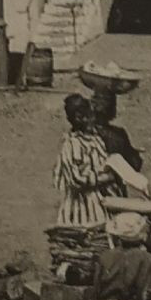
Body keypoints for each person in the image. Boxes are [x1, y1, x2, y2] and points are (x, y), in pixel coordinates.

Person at [53, 94, 115, 229]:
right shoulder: (71, 145)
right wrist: (103, 178)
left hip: (100, 200)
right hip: (79, 205)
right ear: (79, 118)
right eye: (90, 116)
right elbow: (75, 180)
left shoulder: (96, 140)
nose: (93, 120)